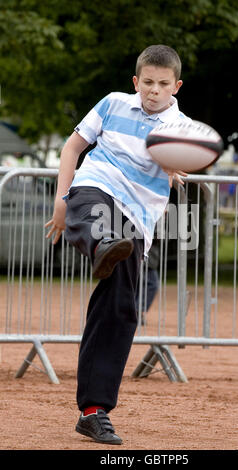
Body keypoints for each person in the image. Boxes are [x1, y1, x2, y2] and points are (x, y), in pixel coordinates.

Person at [45, 44, 190, 445]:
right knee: (92, 210)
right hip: (98, 186)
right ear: (135, 81)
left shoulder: (180, 127)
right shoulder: (111, 104)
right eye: (147, 82)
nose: (154, 90)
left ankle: (93, 412)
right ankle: (104, 243)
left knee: (121, 309)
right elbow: (73, 147)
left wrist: (176, 163)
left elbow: (181, 157)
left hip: (138, 218)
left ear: (176, 86)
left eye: (163, 84)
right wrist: (61, 200)